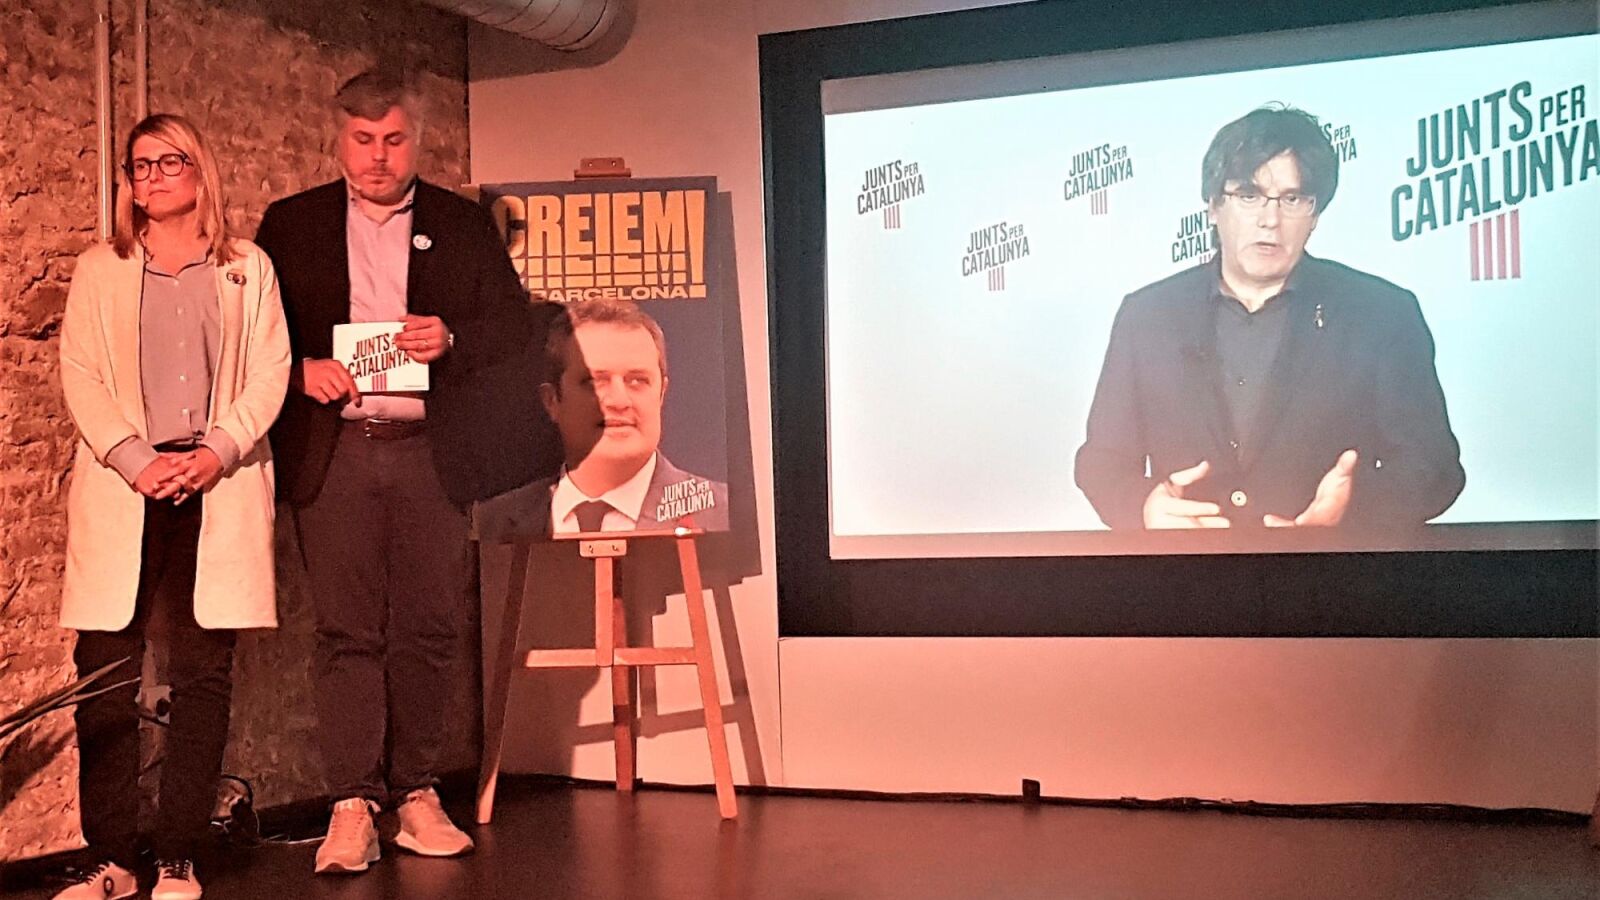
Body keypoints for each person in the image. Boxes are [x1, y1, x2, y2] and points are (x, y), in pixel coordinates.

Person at [253, 68, 549, 875]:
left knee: (428, 626)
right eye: (363, 139)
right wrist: (300, 372)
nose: (378, 157)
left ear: (418, 139)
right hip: (337, 449)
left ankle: (416, 794)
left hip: (430, 450)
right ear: (338, 138)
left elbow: (513, 326)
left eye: (393, 139)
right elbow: (251, 337)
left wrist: (452, 338)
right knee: (346, 631)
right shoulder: (291, 224)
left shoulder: (461, 223)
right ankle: (351, 805)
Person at [56, 113, 290, 900]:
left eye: (167, 162)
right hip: (128, 484)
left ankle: (180, 853)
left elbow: (270, 372)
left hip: (212, 483)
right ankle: (113, 858)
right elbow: (81, 373)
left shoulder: (246, 267)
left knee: (201, 674)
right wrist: (135, 459)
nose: (150, 178)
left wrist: (217, 451)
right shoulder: (102, 269)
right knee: (104, 674)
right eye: (138, 166)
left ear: (200, 170)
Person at [1074, 105, 1464, 533]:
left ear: (1315, 215)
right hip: (1186, 571)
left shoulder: (1381, 313)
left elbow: (1435, 467)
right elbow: (1101, 463)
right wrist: (1144, 507)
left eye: (1292, 199)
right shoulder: (1147, 316)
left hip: (1331, 572)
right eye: (1248, 195)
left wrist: (1352, 509)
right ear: (1213, 206)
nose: (1269, 220)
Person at [474, 299, 730, 541]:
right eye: (595, 382)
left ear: (661, 394)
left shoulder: (725, 512)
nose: (619, 401)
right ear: (552, 401)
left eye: (637, 380)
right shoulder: (491, 523)